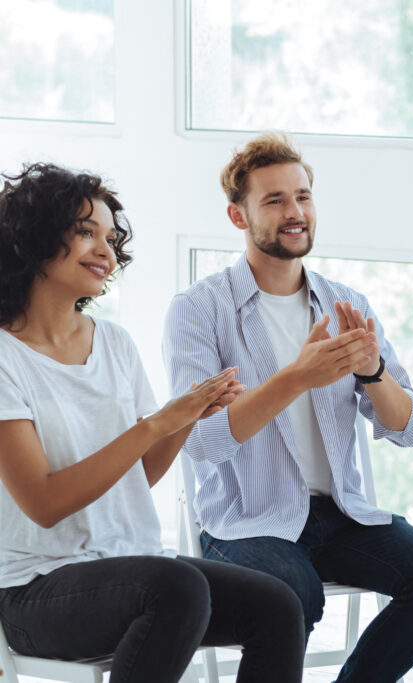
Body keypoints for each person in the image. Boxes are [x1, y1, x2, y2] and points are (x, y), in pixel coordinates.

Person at [163, 133, 413, 683]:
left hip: (340, 514)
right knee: (289, 595)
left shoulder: (346, 303)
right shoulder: (198, 309)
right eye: (274, 200)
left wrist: (372, 373)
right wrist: (297, 376)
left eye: (302, 196)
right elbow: (201, 440)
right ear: (237, 215)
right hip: (247, 522)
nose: (295, 212)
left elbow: (407, 428)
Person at [0, 162, 305, 683]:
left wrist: (187, 417)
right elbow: (44, 504)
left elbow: (136, 478)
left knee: (277, 604)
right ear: (33, 238)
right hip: (35, 591)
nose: (105, 250)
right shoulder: (6, 357)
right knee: (175, 587)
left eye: (111, 237)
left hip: (129, 569)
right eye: (85, 232)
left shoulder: (113, 342)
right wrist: (157, 422)